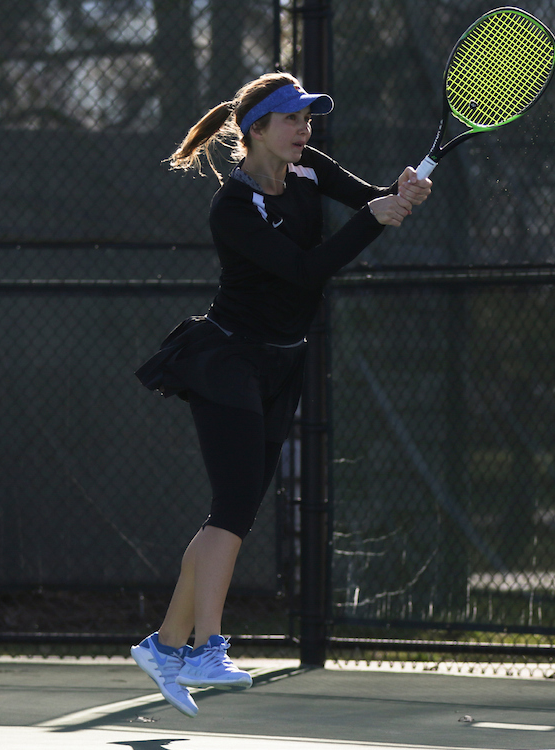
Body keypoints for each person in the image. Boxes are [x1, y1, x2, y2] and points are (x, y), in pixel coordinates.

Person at [129, 72, 432, 717]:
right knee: (234, 507)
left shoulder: (312, 170)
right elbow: (302, 271)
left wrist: (398, 194)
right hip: (226, 360)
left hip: (282, 365)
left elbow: (369, 200)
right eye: (292, 119)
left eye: (308, 118)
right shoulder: (233, 209)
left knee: (233, 512)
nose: (305, 128)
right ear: (257, 129)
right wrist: (377, 220)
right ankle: (207, 646)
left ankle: (163, 646)